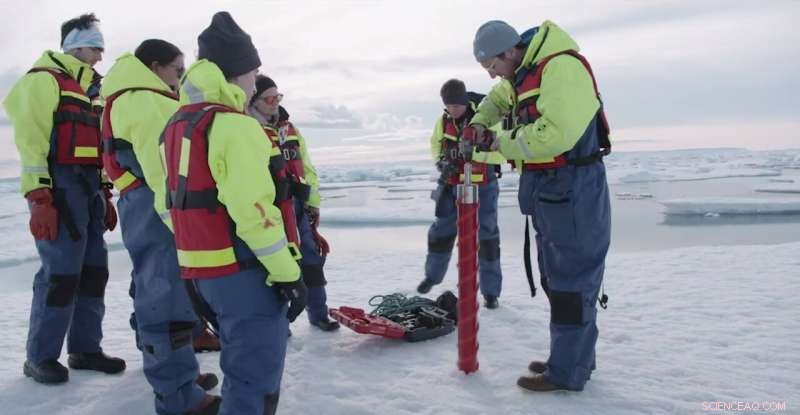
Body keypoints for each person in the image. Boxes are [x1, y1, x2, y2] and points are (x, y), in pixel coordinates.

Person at [161, 12, 307, 414]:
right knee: (253, 383)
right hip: (243, 276)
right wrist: (288, 273)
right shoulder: (234, 127)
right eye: (252, 71)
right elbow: (255, 212)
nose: (255, 81)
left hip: (199, 274)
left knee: (240, 370)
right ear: (235, 73)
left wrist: (194, 258)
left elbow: (166, 202)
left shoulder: (177, 125)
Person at [467, 20, 612, 392]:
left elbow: (554, 136)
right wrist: (480, 121)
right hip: (552, 192)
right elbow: (497, 100)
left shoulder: (561, 67)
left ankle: (567, 374)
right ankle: (571, 358)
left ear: (510, 52)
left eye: (493, 67)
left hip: (574, 189)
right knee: (557, 278)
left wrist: (497, 142)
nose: (493, 75)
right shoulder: (521, 73)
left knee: (571, 282)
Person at [2, 12, 125, 385]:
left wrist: (105, 192)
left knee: (93, 271)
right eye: (94, 47)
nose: (100, 56)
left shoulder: (91, 90)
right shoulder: (43, 80)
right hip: (58, 186)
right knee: (61, 274)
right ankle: (39, 357)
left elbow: (100, 146)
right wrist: (39, 195)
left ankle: (85, 349)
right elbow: (31, 140)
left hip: (87, 188)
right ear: (74, 45)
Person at [101, 39, 221, 414]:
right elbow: (165, 171)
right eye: (177, 70)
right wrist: (183, 224)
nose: (180, 78)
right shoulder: (145, 100)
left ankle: (173, 372)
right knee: (165, 293)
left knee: (157, 286)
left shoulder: (131, 97)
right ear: (155, 68)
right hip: (158, 208)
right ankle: (177, 394)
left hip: (143, 205)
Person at [247, 76, 340, 331]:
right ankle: (280, 324)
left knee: (311, 257)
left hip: (297, 206)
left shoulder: (290, 129)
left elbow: (306, 166)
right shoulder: (246, 129)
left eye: (278, 96)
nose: (275, 102)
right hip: (268, 211)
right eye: (269, 98)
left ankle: (319, 313)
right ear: (253, 101)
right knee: (275, 264)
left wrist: (312, 202)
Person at [416, 79, 505, 309]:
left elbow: (500, 151)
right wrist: (441, 162)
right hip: (451, 182)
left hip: (483, 182)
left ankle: (490, 293)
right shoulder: (443, 121)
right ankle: (432, 277)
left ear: (465, 101)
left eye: (457, 105)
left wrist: (472, 156)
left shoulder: (485, 119)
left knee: (486, 234)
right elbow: (436, 143)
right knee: (442, 229)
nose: (453, 110)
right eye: (449, 106)